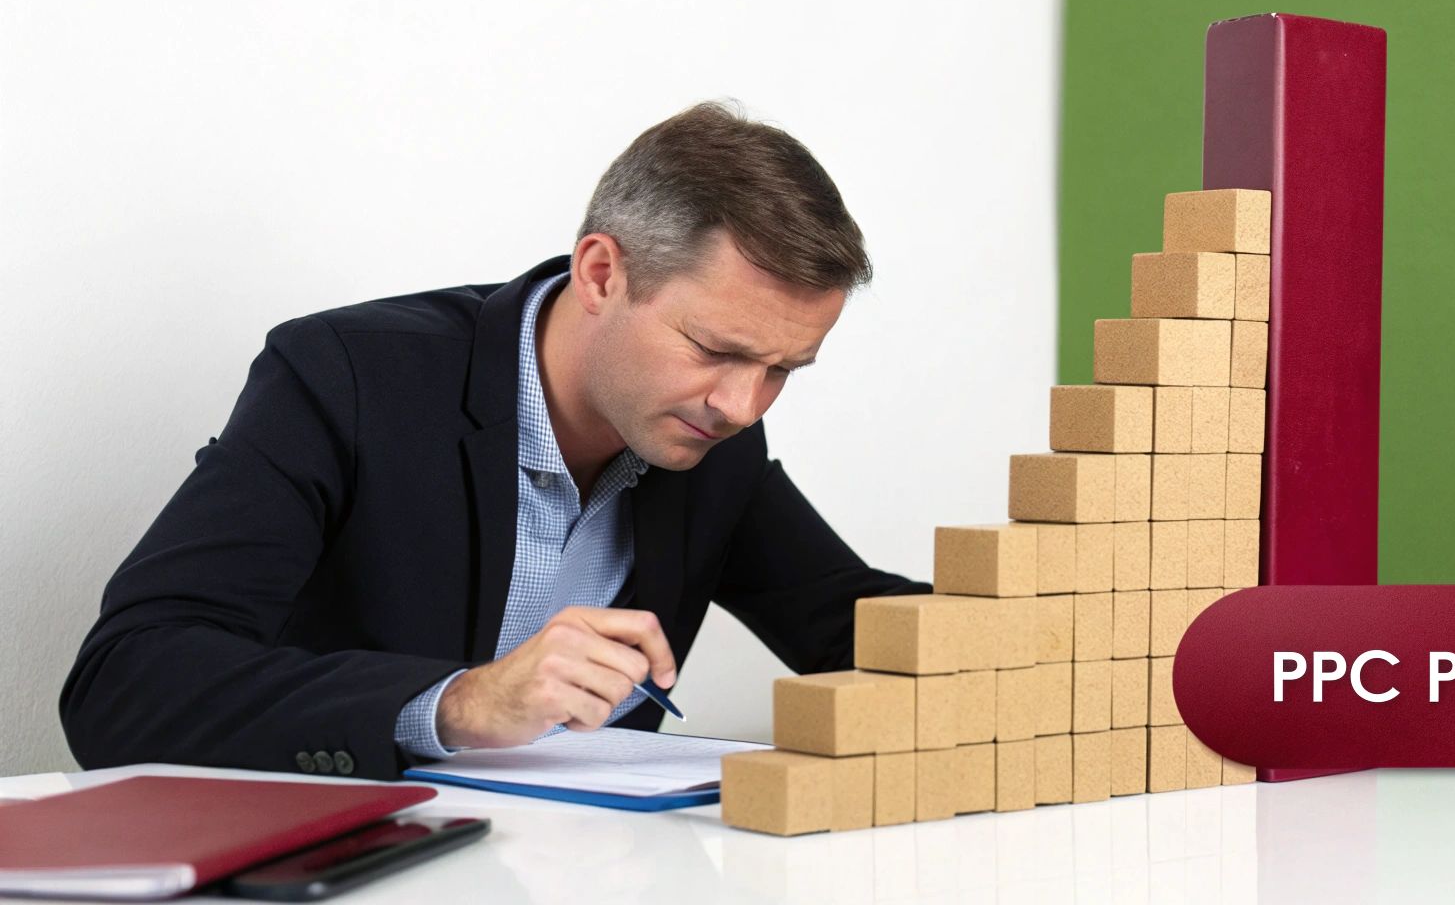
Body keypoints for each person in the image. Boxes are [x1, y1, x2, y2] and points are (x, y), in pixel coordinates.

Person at [60, 101, 929, 780]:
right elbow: (123, 682)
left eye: (783, 369)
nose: (743, 403)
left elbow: (854, 625)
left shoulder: (711, 436)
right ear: (601, 273)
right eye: (714, 349)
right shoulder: (348, 379)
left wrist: (1015, 614)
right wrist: (459, 703)